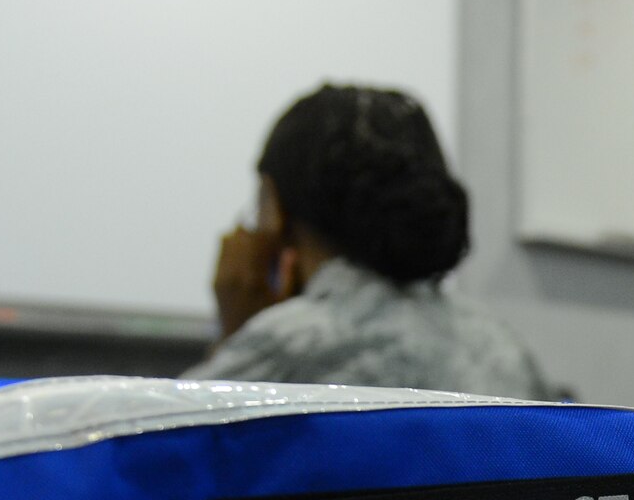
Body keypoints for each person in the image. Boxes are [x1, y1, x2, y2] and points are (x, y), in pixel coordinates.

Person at [186, 83, 551, 399]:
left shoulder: (288, 345)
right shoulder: (503, 349)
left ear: (275, 208)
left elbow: (170, 442)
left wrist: (232, 334)